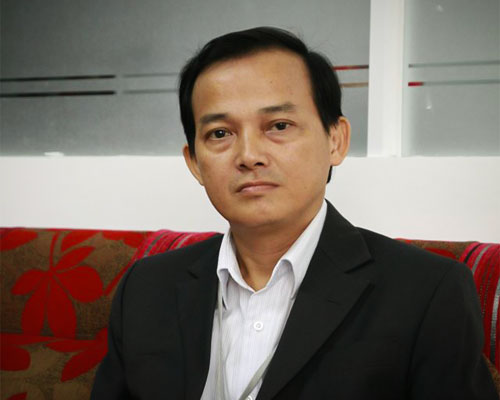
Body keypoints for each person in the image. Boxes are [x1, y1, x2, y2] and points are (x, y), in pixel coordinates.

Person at [91, 27, 497, 399]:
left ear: (336, 140)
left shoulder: (427, 292)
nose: (249, 155)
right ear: (194, 162)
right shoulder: (146, 289)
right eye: (220, 133)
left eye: (279, 126)